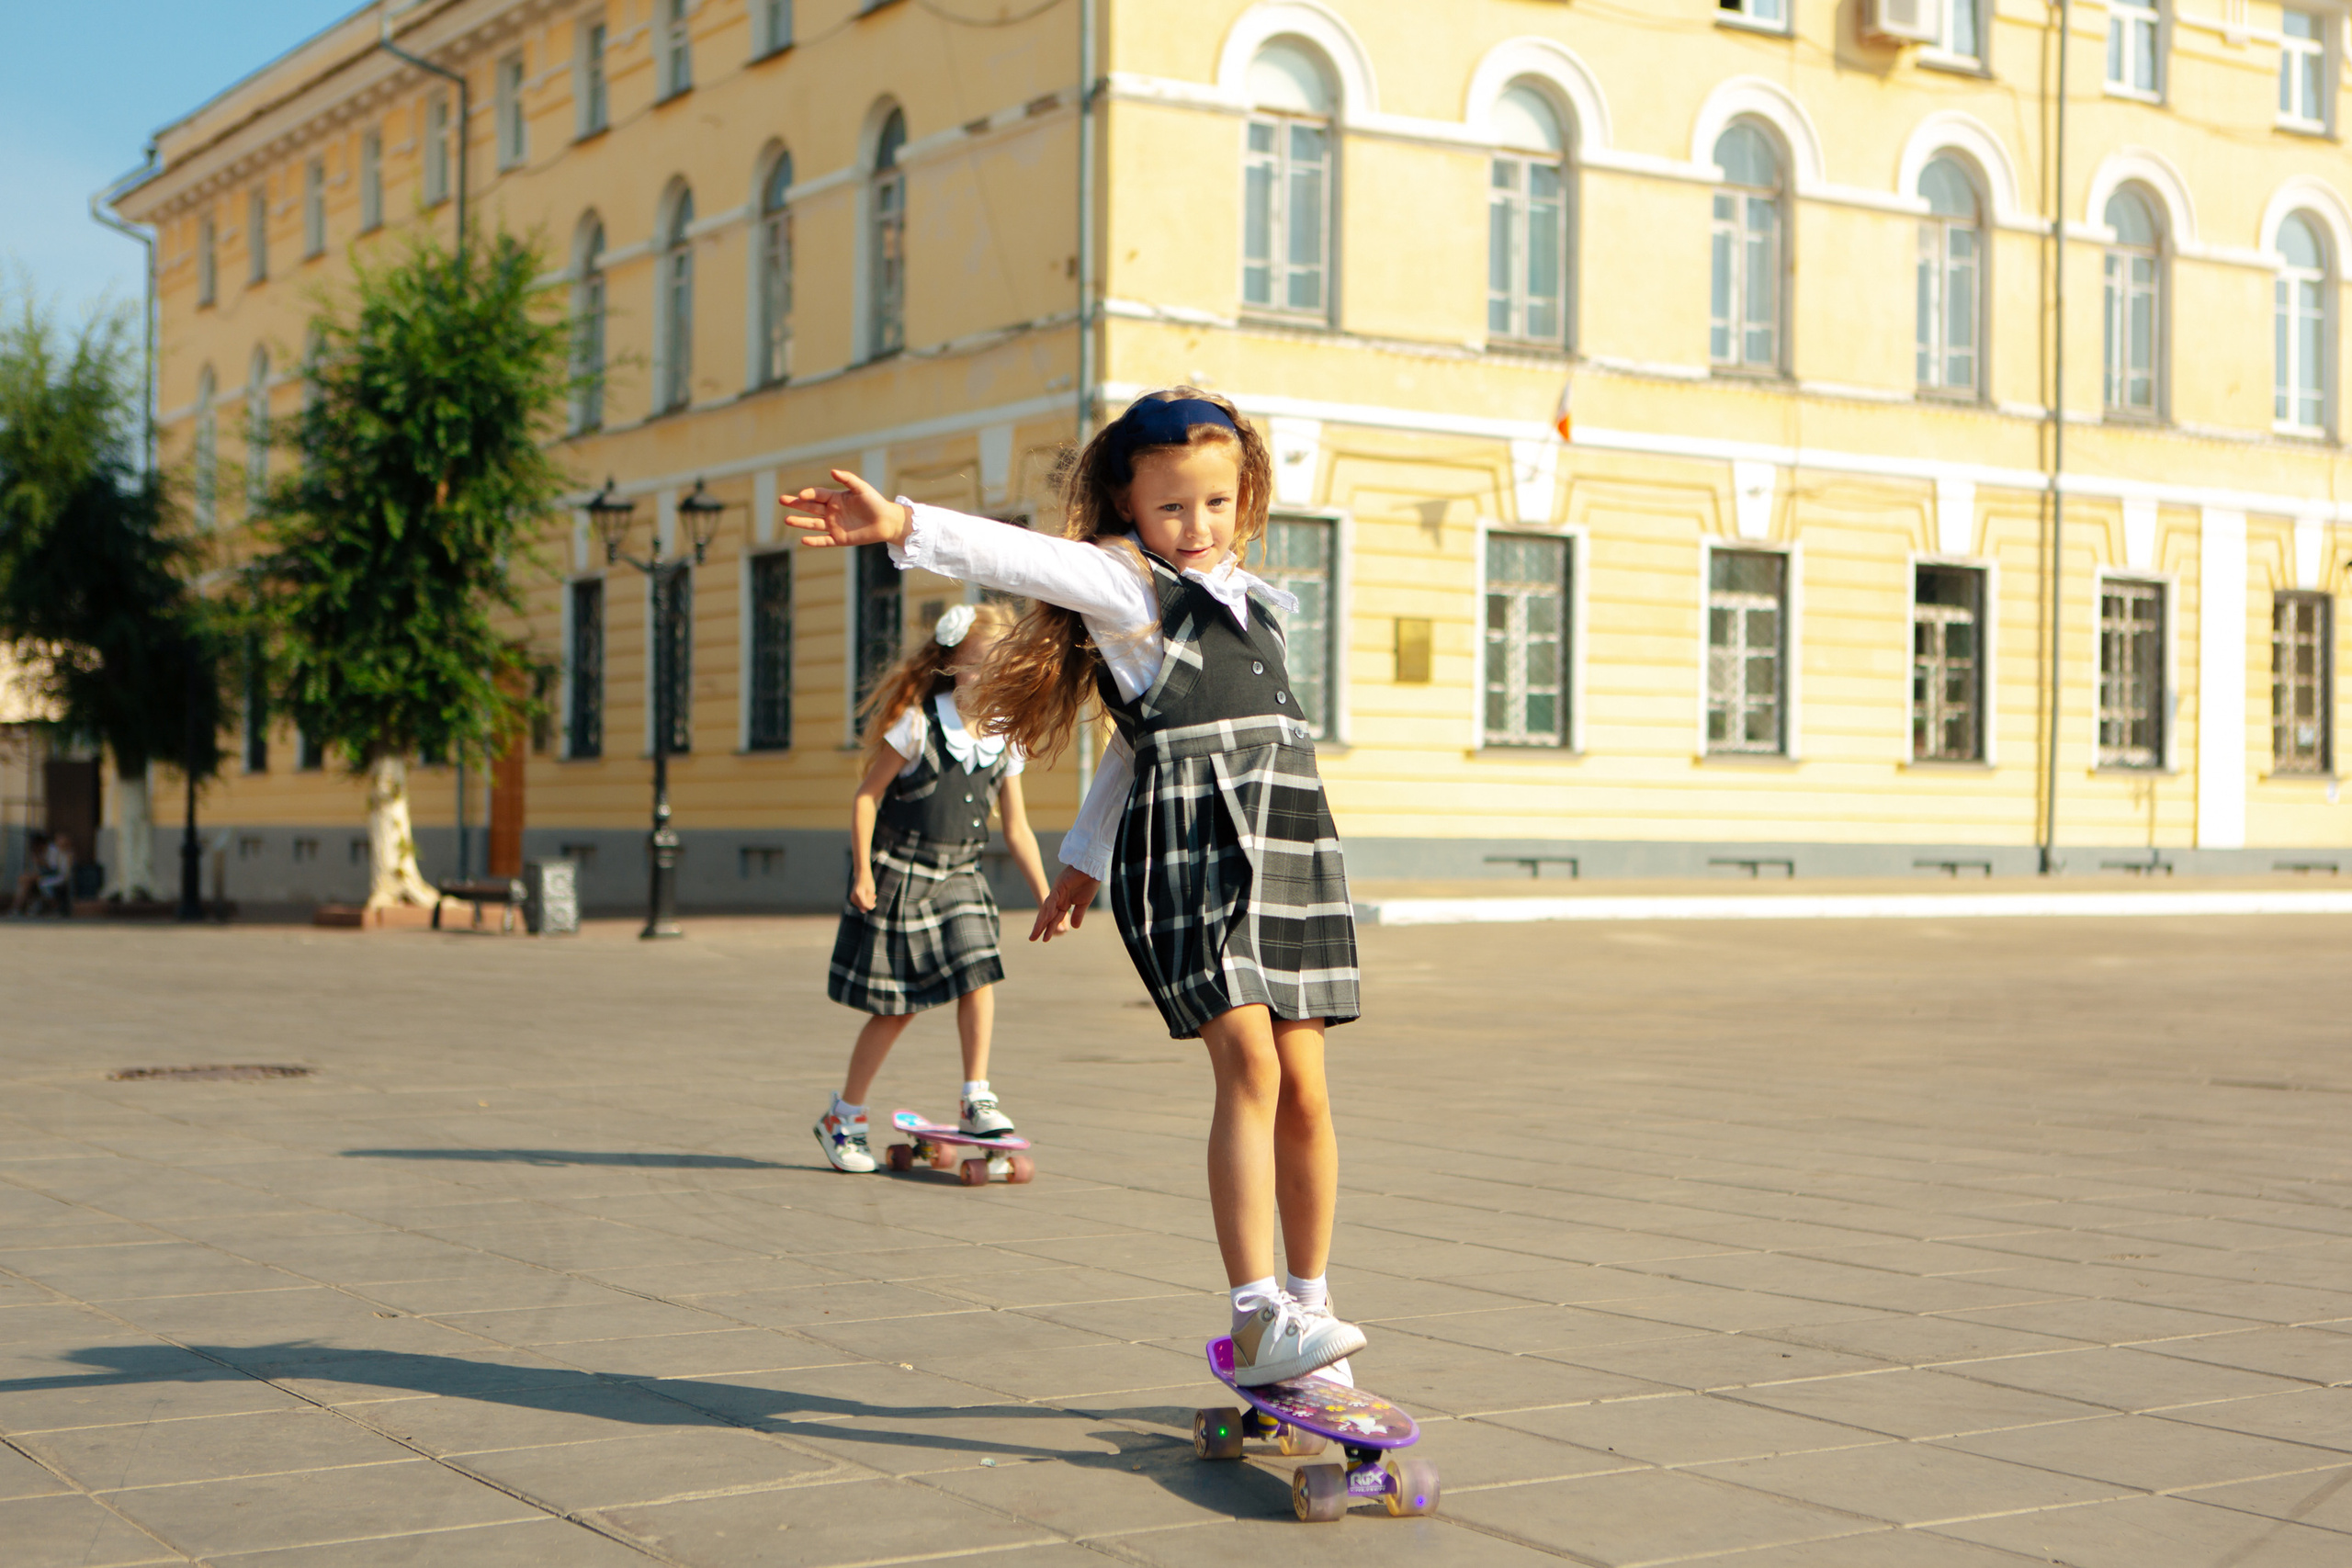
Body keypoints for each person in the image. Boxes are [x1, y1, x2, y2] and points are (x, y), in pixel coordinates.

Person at [784, 389, 1367, 1387]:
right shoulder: (1121, 581)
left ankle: (1312, 1313)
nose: (1198, 527)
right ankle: (1257, 1312)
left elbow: (1138, 745)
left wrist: (1078, 857)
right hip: (1191, 844)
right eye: (1174, 507)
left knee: (1307, 1090)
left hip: (1287, 836)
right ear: (1129, 504)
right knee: (1250, 1071)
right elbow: (1017, 561)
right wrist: (906, 526)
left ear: (1245, 497)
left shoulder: (1254, 598)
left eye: (1218, 504)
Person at [814, 602, 1056, 1173]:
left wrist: (1048, 893)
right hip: (904, 874)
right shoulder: (918, 724)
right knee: (896, 1008)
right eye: (978, 665)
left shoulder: (1005, 737)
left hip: (962, 875)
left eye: (1000, 665)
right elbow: (867, 796)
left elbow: (1017, 828)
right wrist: (864, 871)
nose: (989, 676)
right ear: (951, 665)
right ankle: (842, 1117)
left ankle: (977, 1096)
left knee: (980, 969)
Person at [12, 830, 72, 918]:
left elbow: (53, 869)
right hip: (47, 876)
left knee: (34, 882)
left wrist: (40, 864)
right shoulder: (39, 852)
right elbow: (39, 870)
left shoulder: (53, 851)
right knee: (24, 880)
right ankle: (19, 907)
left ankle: (18, 908)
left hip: (56, 877)